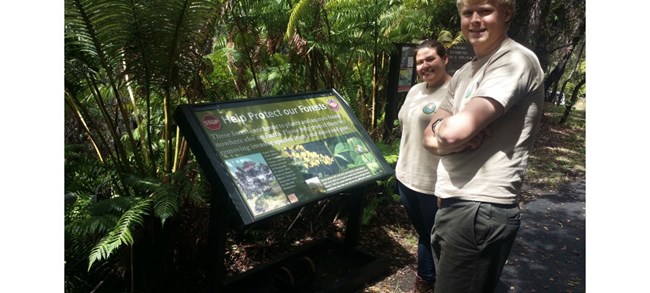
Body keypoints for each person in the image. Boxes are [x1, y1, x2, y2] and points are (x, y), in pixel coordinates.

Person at [422, 0, 545, 292]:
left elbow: (453, 133)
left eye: (485, 11)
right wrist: (445, 131)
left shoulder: (514, 61)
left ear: (507, 13)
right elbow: (430, 137)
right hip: (456, 203)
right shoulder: (466, 72)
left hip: (480, 208)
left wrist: (448, 134)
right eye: (467, 13)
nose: (474, 20)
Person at [395, 39, 452, 293]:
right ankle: (425, 281)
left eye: (431, 59)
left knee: (440, 241)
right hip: (406, 177)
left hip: (432, 184)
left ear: (445, 59)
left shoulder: (454, 92)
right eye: (420, 61)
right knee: (424, 235)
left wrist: (445, 185)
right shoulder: (415, 91)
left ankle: (445, 284)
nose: (425, 65)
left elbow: (455, 143)